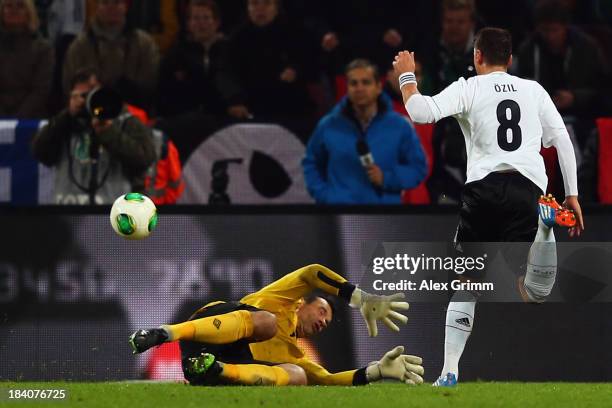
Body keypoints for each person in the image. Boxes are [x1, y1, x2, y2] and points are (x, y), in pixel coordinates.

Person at [393, 27, 584, 386]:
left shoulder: (469, 87)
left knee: (467, 283)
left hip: (482, 189)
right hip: (528, 189)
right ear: (509, 60)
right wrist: (572, 193)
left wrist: (406, 74)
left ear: (477, 56)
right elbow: (561, 139)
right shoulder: (533, 90)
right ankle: (544, 228)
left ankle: (449, 370)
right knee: (536, 293)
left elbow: (420, 112)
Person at [129, 264, 423, 386]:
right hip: (208, 326)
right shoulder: (282, 301)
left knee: (297, 376)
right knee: (266, 322)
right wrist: (361, 298)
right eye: (322, 311)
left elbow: (329, 380)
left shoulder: (295, 353)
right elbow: (312, 272)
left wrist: (378, 371)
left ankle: (215, 370)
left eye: (328, 322)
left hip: (210, 364)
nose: (323, 321)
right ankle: (165, 332)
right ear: (303, 304)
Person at [303, 59, 427, 204]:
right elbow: (311, 163)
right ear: (347, 88)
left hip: (386, 216)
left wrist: (386, 178)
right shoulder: (328, 125)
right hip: (341, 215)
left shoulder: (399, 126)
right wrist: (326, 196)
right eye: (353, 83)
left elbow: (418, 168)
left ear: (378, 87)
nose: (359, 88)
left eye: (366, 82)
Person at [31, 68, 156, 204]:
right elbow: (39, 152)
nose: (87, 101)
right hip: (69, 214)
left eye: (93, 94)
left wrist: (108, 132)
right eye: (82, 95)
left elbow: (145, 158)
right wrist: (66, 116)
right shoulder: (64, 123)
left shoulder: (125, 122)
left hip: (115, 215)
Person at [515, 0, 607, 146]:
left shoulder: (586, 48)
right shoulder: (528, 49)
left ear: (565, 27)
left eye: (555, 30)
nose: (550, 36)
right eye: (545, 30)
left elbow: (601, 90)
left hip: (581, 115)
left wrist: (575, 97)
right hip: (539, 117)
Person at [157, 0, 248, 119]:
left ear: (216, 22)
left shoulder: (231, 52)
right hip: (185, 120)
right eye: (196, 18)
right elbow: (164, 92)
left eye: (206, 18)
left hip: (223, 119)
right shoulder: (176, 55)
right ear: (188, 23)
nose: (201, 24)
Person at [62, 0, 159, 111]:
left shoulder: (144, 44)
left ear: (126, 6)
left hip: (134, 115)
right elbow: (69, 86)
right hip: (89, 114)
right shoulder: (79, 46)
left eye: (117, 2)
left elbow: (149, 85)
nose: (111, 7)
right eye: (105, 2)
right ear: (97, 6)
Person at [0, 0, 54, 118]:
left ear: (29, 12)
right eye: (8, 6)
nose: (14, 10)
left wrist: (17, 118)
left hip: (31, 118)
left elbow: (41, 90)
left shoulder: (43, 49)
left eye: (20, 6)